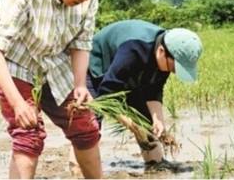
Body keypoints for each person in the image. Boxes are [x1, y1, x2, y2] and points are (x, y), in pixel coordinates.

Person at [0, 0, 107, 179]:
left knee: (84, 125)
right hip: (16, 65)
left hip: (55, 65)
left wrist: (81, 85)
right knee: (28, 133)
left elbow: (81, 43)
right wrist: (19, 103)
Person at [87, 19, 203, 168]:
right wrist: (133, 126)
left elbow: (153, 90)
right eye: (173, 68)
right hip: (97, 66)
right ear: (161, 52)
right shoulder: (133, 50)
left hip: (125, 70)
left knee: (147, 124)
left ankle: (156, 165)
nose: (172, 72)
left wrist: (158, 121)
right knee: (89, 125)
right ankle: (78, 170)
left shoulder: (166, 52)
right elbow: (106, 93)